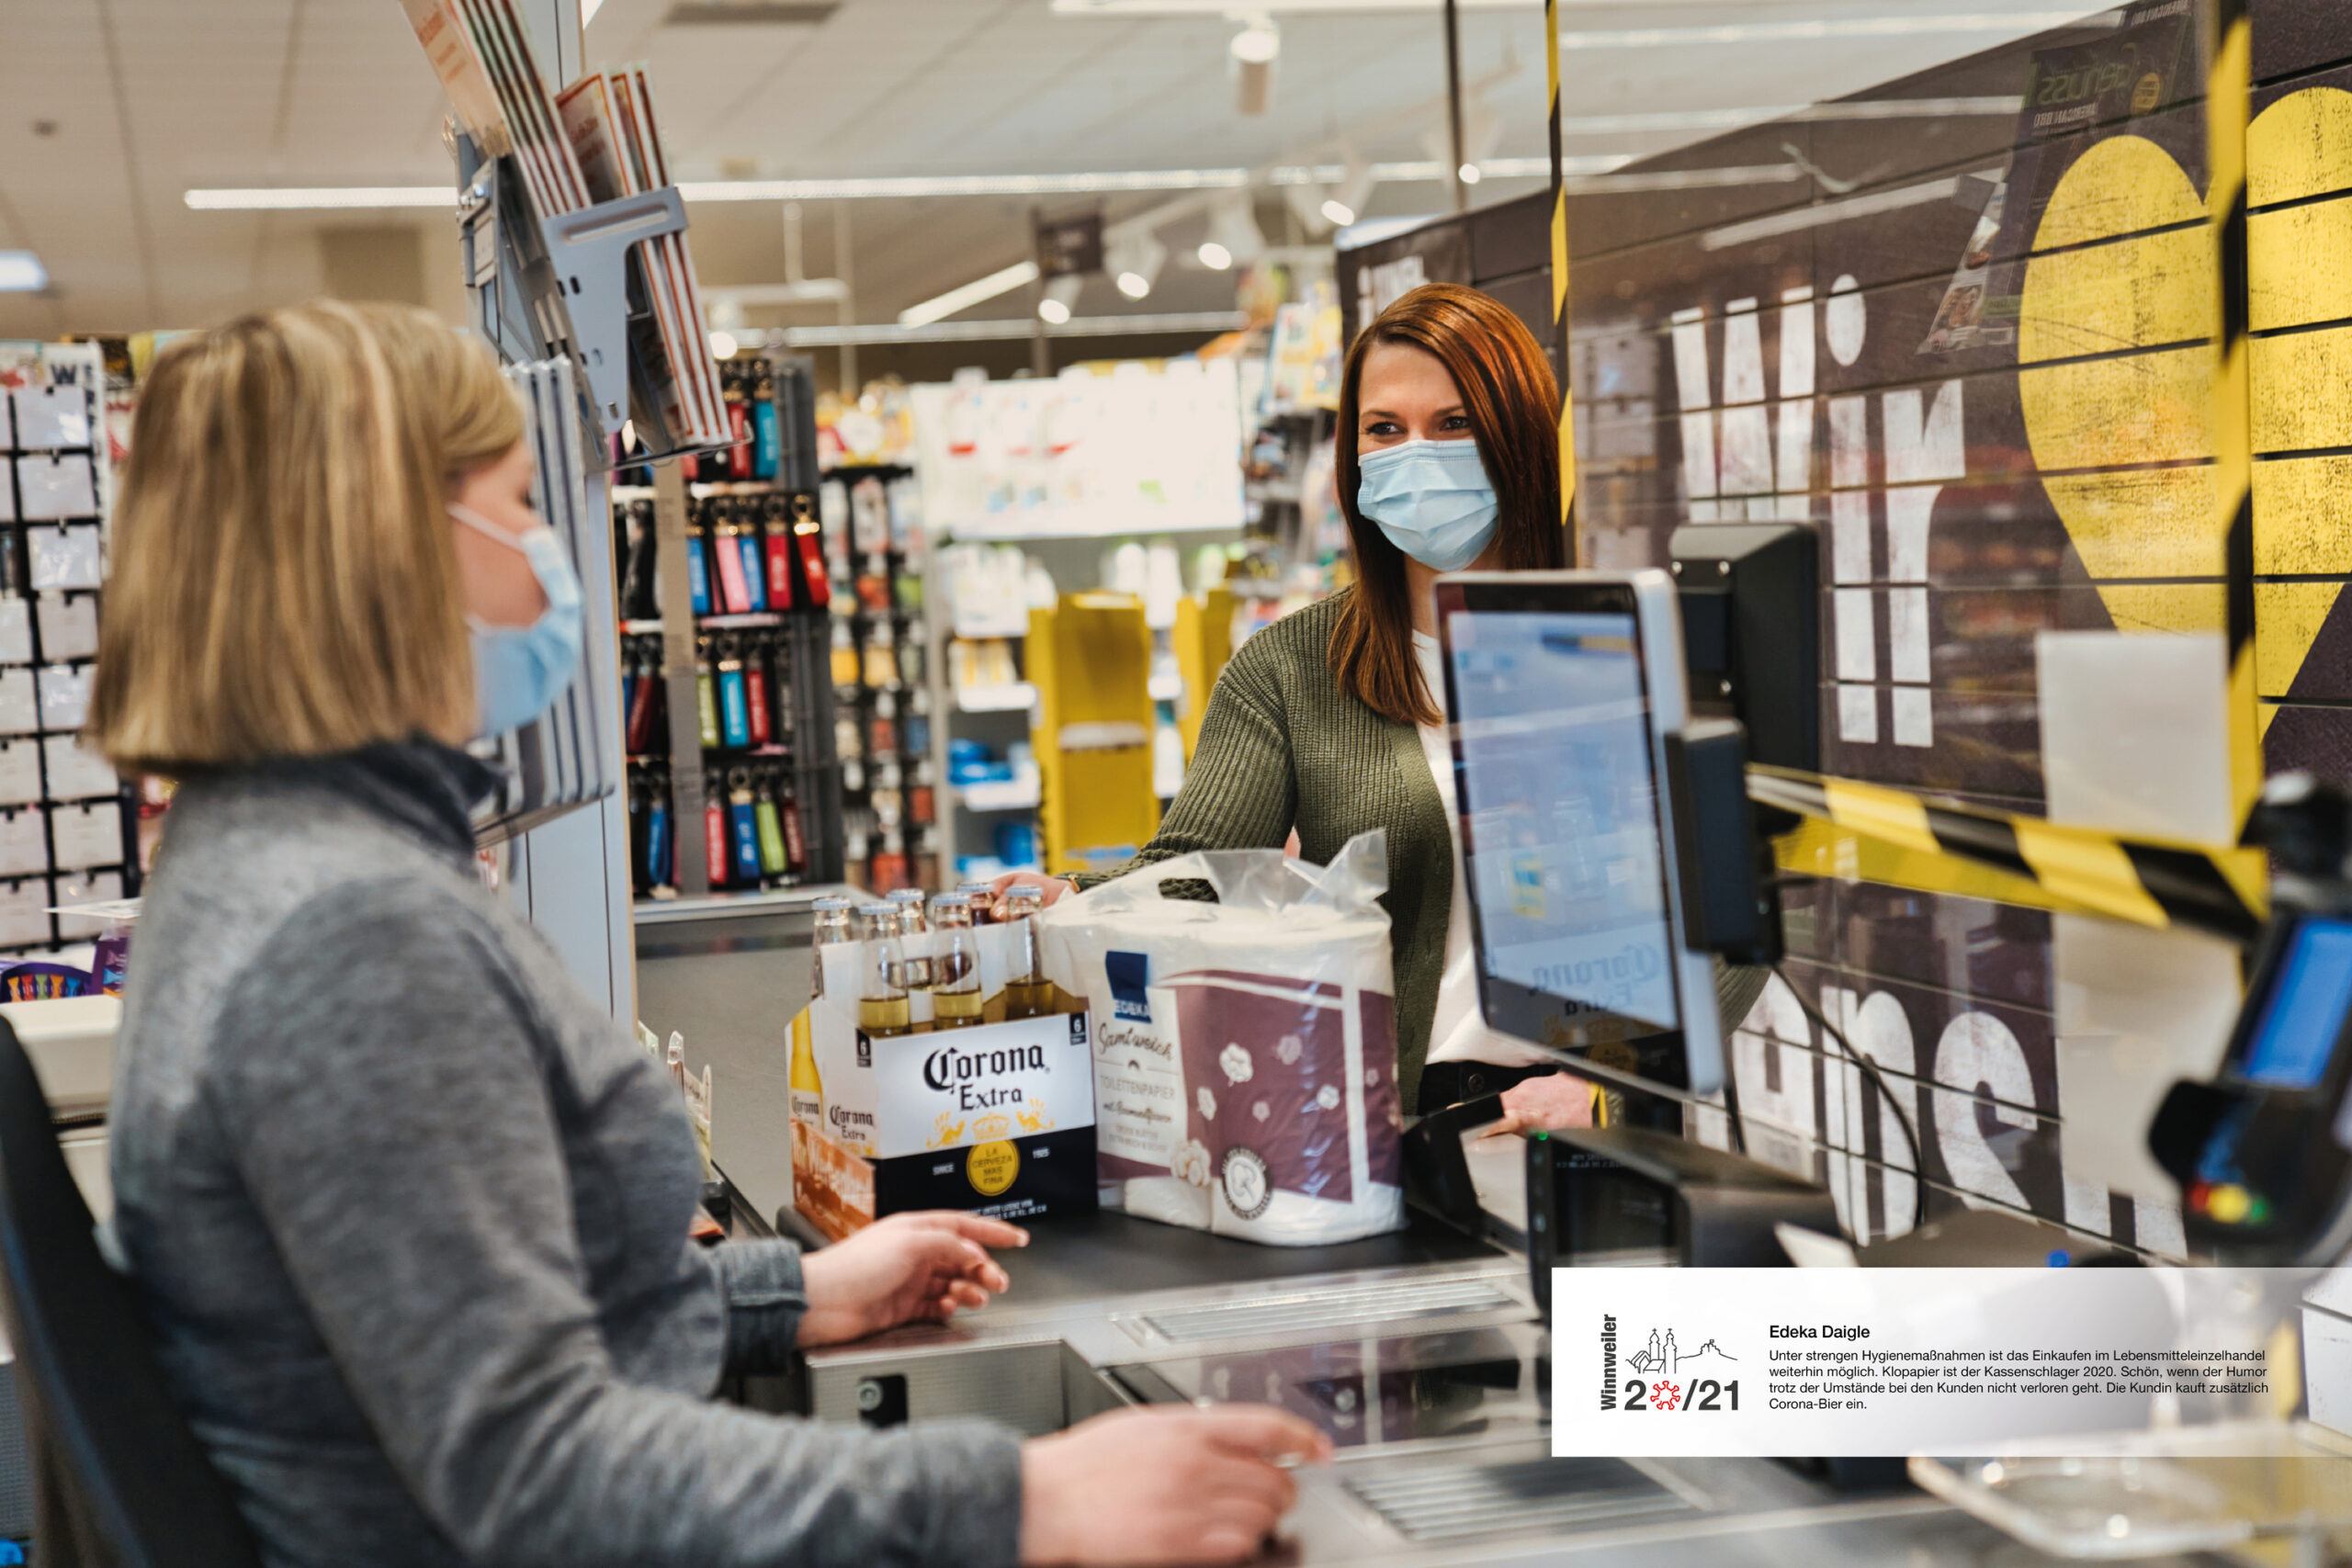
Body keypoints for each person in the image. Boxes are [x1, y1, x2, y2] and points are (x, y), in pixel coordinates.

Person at [89, 301, 1325, 1568]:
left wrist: (785, 1292)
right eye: (515, 504)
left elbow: (444, 1332)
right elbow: (539, 1471)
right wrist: (1021, 1499)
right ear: (382, 549)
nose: (545, 548)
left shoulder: (261, 853)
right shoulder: (352, 932)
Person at [1002, 283, 1757, 1122]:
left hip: (1596, 1116)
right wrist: (1071, 898)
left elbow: (1743, 907)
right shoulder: (1292, 667)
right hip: (1397, 1125)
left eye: (1454, 423)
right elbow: (1197, 874)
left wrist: (1612, 1081)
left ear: (1518, 437)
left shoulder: (1626, 643)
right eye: (1384, 429)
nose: (1415, 454)